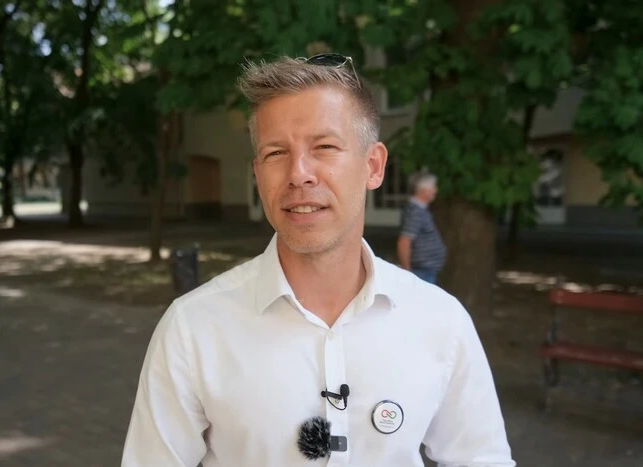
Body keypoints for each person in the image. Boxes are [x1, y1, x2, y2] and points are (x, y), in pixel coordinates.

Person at [121, 53, 515, 467]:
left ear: (373, 166)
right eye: (276, 153)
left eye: (324, 147)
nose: (299, 174)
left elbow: (481, 459)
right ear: (258, 174)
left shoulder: (440, 321)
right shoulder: (193, 329)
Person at [397, 171, 446, 284]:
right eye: (433, 187)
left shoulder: (419, 210)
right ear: (423, 190)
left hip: (424, 271)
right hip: (420, 272)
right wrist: (407, 271)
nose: (435, 191)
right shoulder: (415, 212)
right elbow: (404, 242)